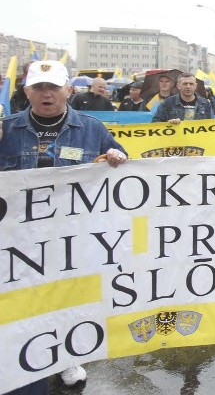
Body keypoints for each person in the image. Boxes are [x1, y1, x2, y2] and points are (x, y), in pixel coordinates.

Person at [0, 60, 128, 394]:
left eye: (53, 87)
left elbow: (123, 163)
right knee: (26, 306)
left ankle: (64, 356)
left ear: (68, 90)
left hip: (72, 239)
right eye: (39, 87)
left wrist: (116, 156)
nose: (46, 93)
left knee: (67, 301)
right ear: (26, 91)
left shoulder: (91, 128)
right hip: (20, 242)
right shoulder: (6, 129)